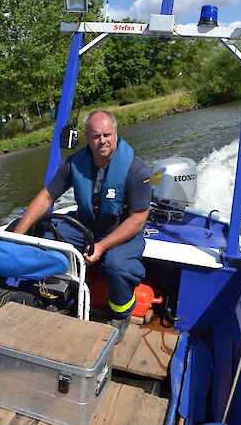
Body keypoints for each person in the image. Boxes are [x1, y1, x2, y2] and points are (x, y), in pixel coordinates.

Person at [14, 110, 151, 343]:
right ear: (87, 137)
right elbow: (47, 197)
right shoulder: (74, 164)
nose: (102, 141)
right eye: (96, 136)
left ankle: (121, 312)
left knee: (116, 265)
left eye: (107, 134)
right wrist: (19, 234)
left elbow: (138, 218)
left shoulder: (136, 171)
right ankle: (60, 300)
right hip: (85, 225)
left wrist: (101, 246)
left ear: (116, 133)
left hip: (122, 229)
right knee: (51, 243)